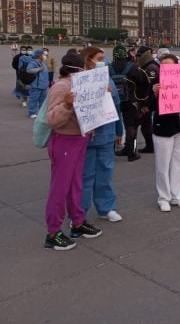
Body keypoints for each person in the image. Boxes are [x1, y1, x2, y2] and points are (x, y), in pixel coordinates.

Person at [44, 53, 102, 251]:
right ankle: (53, 232)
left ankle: (77, 222)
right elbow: (51, 119)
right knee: (60, 187)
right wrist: (67, 105)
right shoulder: (61, 86)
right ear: (77, 70)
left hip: (79, 139)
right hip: (65, 141)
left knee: (75, 184)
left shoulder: (80, 84)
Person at [79, 47, 124, 223]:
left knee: (105, 171)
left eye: (103, 58)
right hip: (87, 135)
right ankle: (79, 212)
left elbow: (117, 107)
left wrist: (119, 131)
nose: (103, 61)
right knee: (85, 175)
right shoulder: (79, 79)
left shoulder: (108, 79)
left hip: (106, 133)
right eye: (99, 58)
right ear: (88, 59)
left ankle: (106, 207)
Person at [149, 54, 180, 211]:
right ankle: (163, 197)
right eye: (163, 66)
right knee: (163, 164)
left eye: (169, 65)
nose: (166, 68)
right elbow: (149, 106)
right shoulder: (156, 82)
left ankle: (177, 195)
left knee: (179, 162)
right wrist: (155, 94)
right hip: (163, 128)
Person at [111, 44, 148, 161]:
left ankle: (111, 152)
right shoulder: (132, 67)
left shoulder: (108, 68)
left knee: (112, 127)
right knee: (132, 127)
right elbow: (142, 82)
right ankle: (132, 152)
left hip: (113, 102)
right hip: (130, 101)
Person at [137, 47, 160, 153]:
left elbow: (149, 87)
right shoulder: (149, 65)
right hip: (146, 100)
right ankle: (150, 145)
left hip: (146, 100)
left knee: (144, 125)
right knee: (145, 125)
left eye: (138, 56)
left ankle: (150, 146)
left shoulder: (150, 67)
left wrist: (145, 103)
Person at [26, 48, 49, 119]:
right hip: (36, 85)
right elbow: (29, 70)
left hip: (43, 85)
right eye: (43, 54)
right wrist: (39, 69)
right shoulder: (33, 62)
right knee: (34, 99)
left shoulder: (43, 63)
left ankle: (41, 113)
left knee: (43, 100)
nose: (44, 56)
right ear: (39, 56)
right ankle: (31, 112)